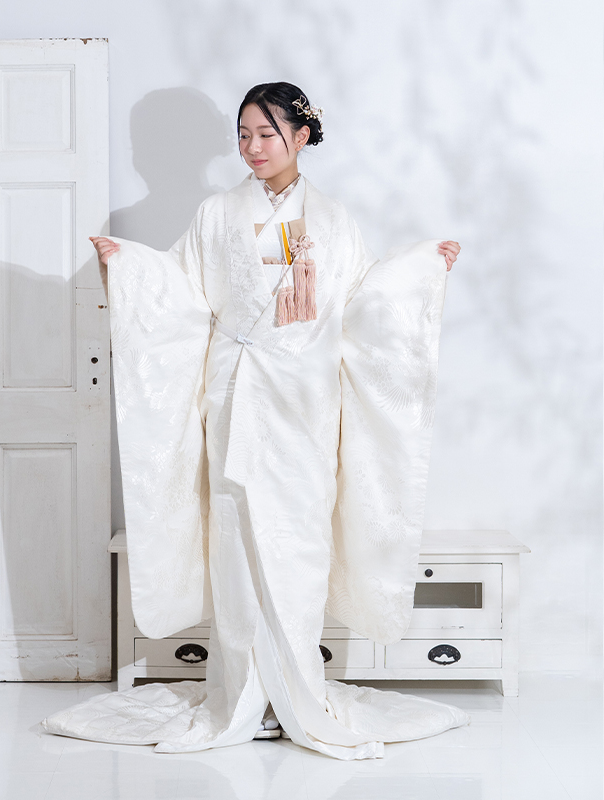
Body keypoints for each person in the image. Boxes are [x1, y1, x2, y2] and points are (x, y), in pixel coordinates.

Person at [42, 82, 468, 760]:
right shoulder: (217, 214)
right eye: (242, 134)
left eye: (266, 134)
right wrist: (129, 267)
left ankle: (296, 691)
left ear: (301, 136)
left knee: (297, 544)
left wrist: (420, 271)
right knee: (235, 540)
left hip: (304, 400)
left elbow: (361, 303)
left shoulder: (332, 220)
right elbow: (182, 295)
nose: (252, 147)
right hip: (235, 392)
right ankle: (240, 692)